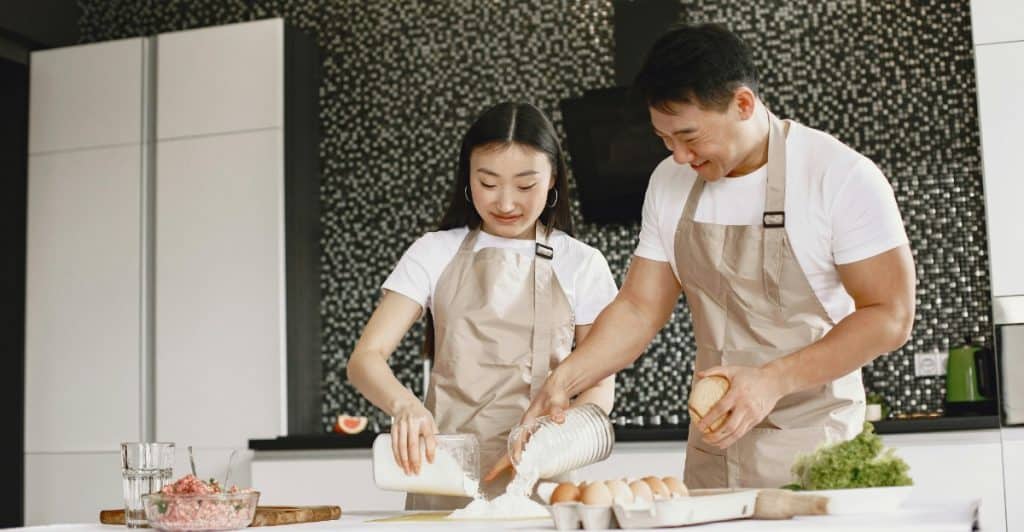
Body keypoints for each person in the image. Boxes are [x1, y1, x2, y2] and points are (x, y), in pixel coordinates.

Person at [515, 24, 916, 489]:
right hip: (715, 446)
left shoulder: (839, 176)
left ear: (743, 104)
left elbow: (891, 315)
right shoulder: (669, 183)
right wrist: (566, 380)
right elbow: (640, 308)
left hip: (816, 448)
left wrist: (770, 381)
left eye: (690, 136)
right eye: (665, 140)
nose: (680, 157)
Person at [346, 101, 618, 509]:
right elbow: (365, 358)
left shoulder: (582, 263)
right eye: (488, 183)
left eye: (526, 186)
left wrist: (550, 445)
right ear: (467, 179)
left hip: (542, 486)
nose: (506, 203)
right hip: (443, 480)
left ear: (553, 179)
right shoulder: (433, 251)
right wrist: (405, 405)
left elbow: (598, 388)